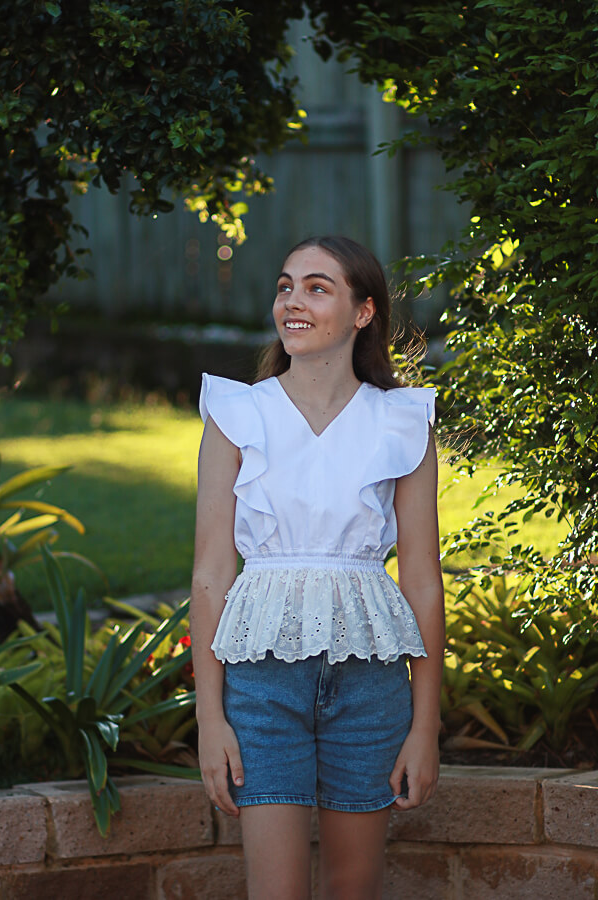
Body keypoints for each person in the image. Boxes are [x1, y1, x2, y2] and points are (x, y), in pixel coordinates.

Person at [189, 235, 445, 900]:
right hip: (262, 688)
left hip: (371, 689)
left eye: (316, 287)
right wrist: (210, 719)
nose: (292, 301)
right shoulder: (236, 413)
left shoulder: (402, 421)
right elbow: (211, 574)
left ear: (363, 311)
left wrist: (425, 727)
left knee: (353, 889)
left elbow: (422, 580)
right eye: (285, 286)